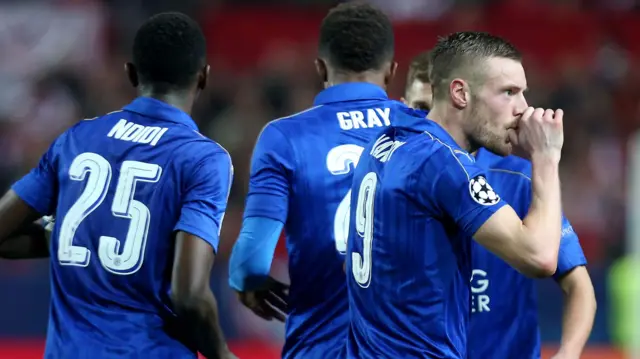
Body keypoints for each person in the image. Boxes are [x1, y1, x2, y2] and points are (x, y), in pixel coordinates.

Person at [0, 12, 236, 359]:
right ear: (203, 76)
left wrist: (69, 236)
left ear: (131, 73)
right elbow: (190, 296)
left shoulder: (76, 139)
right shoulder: (203, 159)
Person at [346, 31, 565, 358]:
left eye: (523, 93)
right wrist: (546, 157)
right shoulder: (442, 162)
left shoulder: (385, 141)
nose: (523, 109)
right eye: (509, 92)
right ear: (461, 93)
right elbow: (540, 257)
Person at [227, 3, 426, 358]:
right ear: (392, 71)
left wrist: (247, 281)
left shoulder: (283, 137)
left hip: (319, 348)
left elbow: (252, 261)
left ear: (320, 67)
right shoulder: (425, 131)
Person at [403, 51, 597, 359]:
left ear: (462, 101)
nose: (434, 123)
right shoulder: (394, 179)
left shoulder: (518, 180)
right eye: (421, 109)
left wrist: (568, 352)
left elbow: (579, 286)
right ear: (403, 107)